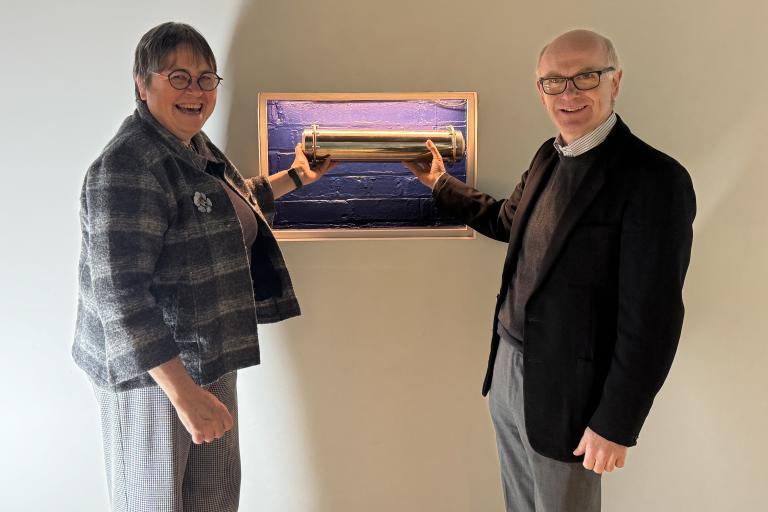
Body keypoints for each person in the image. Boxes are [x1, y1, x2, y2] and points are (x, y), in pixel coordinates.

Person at [405, 29, 695, 511]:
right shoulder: (548, 155)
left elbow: (654, 319)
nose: (569, 94)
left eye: (585, 77)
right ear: (540, 90)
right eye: (554, 82)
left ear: (615, 81)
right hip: (508, 369)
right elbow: (508, 221)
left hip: (572, 390)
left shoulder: (654, 180)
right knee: (520, 504)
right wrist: (440, 184)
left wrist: (617, 422)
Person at [72, 22, 333, 512]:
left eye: (206, 78)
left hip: (209, 356)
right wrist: (184, 395)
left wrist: (296, 177)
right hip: (153, 378)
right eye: (179, 77)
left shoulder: (193, 147)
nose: (195, 91)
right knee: (156, 503)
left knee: (213, 500)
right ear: (141, 82)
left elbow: (215, 207)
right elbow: (120, 295)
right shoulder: (129, 165)